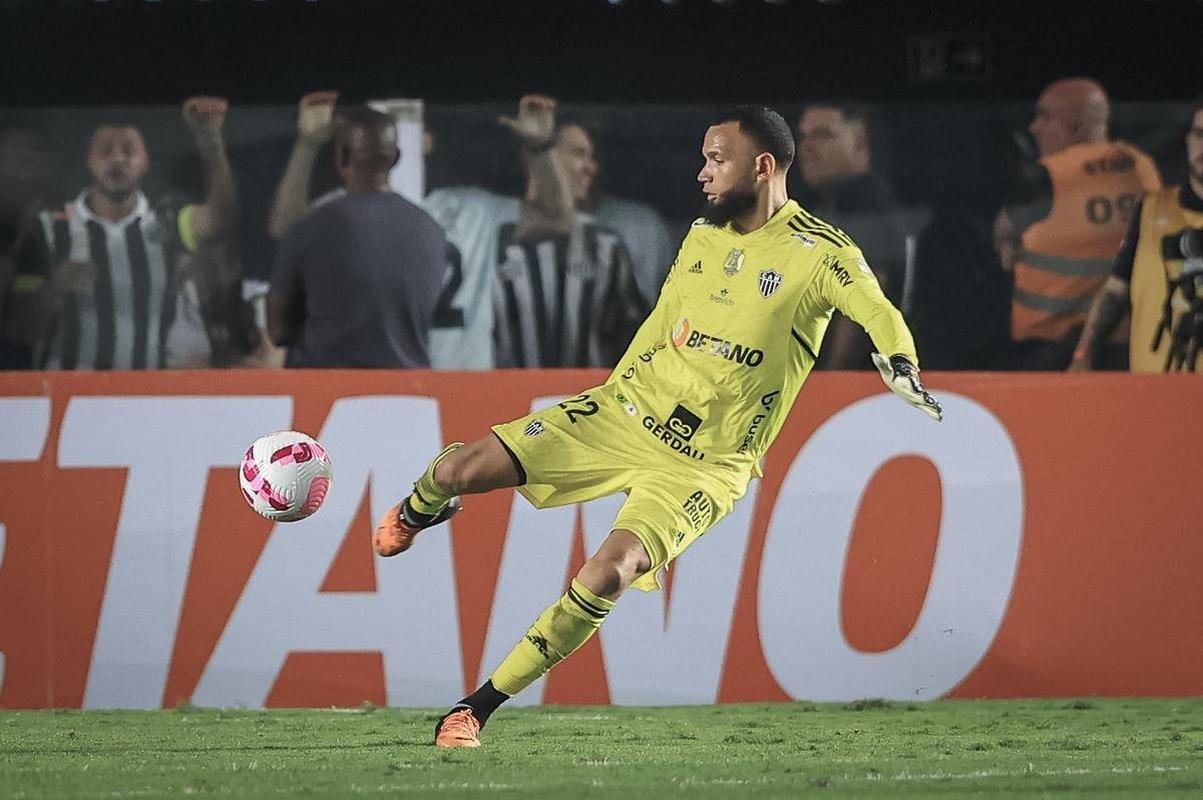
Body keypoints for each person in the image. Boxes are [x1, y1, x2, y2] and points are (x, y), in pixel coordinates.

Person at [371, 106, 942, 748]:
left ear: (761, 166)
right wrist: (616, 393)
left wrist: (900, 364)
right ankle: (418, 513)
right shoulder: (702, 237)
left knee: (610, 572)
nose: (702, 173)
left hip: (704, 466)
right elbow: (659, 323)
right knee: (456, 471)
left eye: (716, 159)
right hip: (624, 414)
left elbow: (877, 310)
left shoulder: (821, 253)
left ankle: (472, 709)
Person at [6, 98, 238, 369]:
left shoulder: (168, 221)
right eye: (105, 151)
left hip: (142, 399)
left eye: (128, 151)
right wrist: (53, 289)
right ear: (89, 161)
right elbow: (17, 327)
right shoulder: (46, 227)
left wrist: (210, 141)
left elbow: (221, 217)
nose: (117, 159)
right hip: (67, 396)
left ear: (145, 161)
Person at [994, 78, 1162, 370]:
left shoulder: (1049, 177)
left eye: (1045, 117)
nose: (1035, 128)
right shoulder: (1141, 166)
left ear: (1076, 127)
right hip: (1129, 347)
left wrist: (1006, 245)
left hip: (1054, 348)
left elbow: (1005, 231)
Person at [267, 105, 447, 368]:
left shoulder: (310, 226)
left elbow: (278, 330)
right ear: (396, 158)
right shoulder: (430, 229)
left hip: (324, 393)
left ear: (341, 157)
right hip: (408, 394)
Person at [491, 100, 647, 367]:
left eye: (591, 156)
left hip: (585, 402)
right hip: (502, 400)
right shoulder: (492, 235)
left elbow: (636, 338)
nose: (590, 167)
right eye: (578, 153)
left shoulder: (606, 248)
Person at [1071, 98, 1203, 373]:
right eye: (1200, 134)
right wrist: (1083, 356)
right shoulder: (1150, 209)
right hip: (1151, 396)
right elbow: (1115, 292)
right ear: (1188, 140)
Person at [795, 104, 915, 369]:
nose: (806, 148)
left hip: (852, 385)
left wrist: (829, 379)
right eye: (803, 137)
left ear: (860, 143)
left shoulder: (861, 204)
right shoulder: (828, 207)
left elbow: (864, 297)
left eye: (822, 135)